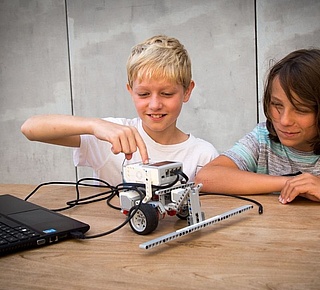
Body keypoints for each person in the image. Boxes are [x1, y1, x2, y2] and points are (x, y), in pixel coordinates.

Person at [21, 35, 219, 186]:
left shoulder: (203, 154)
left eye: (167, 93)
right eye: (143, 94)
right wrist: (94, 125)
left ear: (187, 91)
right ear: (130, 91)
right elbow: (30, 128)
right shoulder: (110, 135)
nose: (154, 104)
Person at [195, 48, 320, 204]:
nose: (285, 120)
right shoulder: (262, 138)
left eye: (301, 109)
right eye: (277, 105)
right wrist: (290, 183)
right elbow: (206, 177)